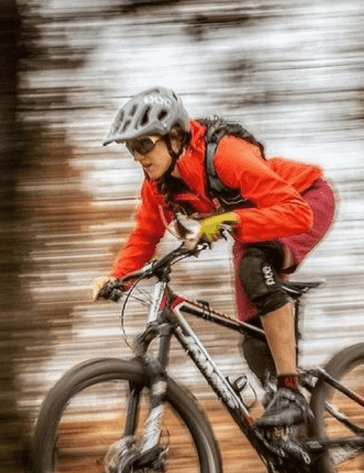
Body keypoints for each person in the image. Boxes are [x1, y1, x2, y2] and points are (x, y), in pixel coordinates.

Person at [93, 87, 336, 429]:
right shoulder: (157, 186)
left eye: (144, 144)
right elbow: (146, 235)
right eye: (131, 148)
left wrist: (232, 220)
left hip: (305, 199)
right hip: (252, 228)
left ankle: (290, 392)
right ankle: (293, 434)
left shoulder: (226, 155)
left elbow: (297, 214)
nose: (138, 156)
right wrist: (118, 277)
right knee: (252, 339)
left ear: (175, 137)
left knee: (254, 266)